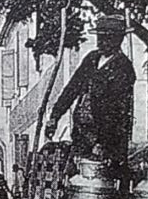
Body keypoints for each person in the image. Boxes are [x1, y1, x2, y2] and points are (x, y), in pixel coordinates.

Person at [46, 15, 136, 161]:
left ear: (118, 39)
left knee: (101, 179)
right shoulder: (91, 59)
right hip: (82, 133)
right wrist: (55, 116)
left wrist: (102, 143)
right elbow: (72, 89)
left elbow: (117, 112)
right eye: (100, 37)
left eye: (107, 38)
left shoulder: (124, 68)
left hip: (107, 141)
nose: (101, 42)